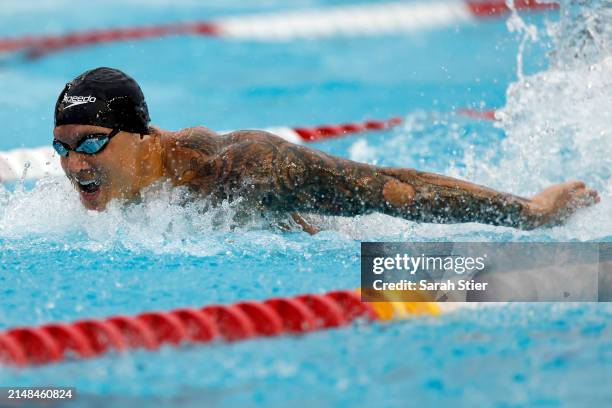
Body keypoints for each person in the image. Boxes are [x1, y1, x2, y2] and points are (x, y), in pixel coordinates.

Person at [52, 67, 599, 233]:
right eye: (62, 149)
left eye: (92, 144)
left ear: (143, 135)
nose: (75, 166)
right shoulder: (116, 191)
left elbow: (395, 190)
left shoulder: (240, 168)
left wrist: (531, 213)